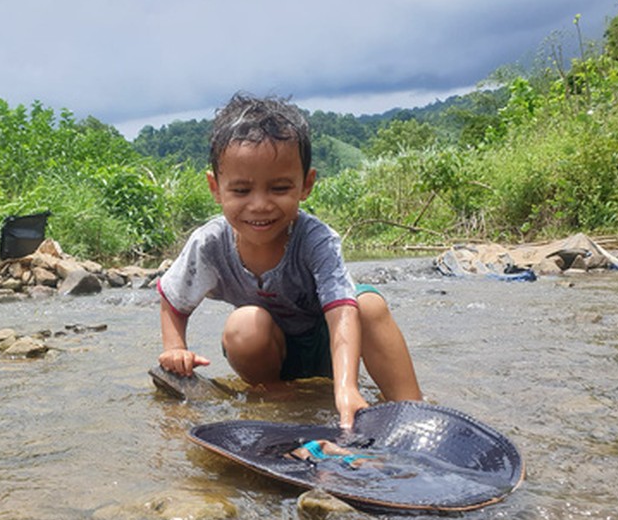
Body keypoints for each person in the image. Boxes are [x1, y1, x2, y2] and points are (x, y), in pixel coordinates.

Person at [157, 93, 421, 429]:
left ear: (306, 185)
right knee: (244, 324)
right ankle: (280, 401)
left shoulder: (316, 240)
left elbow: (341, 310)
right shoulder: (209, 243)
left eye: (279, 188)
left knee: (366, 304)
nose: (260, 205)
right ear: (215, 188)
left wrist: (346, 387)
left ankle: (413, 411)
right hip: (271, 354)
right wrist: (175, 348)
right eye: (241, 191)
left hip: (333, 346)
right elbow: (173, 298)